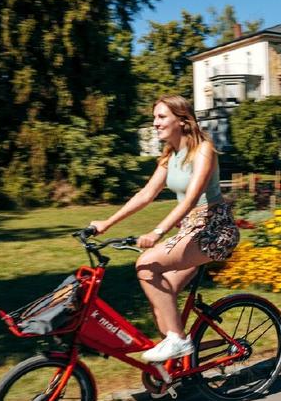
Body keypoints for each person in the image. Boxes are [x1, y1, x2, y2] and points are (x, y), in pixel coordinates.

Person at [90, 95, 240, 361]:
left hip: (215, 230)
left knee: (146, 266)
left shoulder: (203, 150)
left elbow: (192, 199)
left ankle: (178, 342)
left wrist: (157, 232)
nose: (155, 123)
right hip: (190, 231)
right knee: (161, 296)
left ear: (182, 120)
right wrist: (106, 223)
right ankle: (177, 366)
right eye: (154, 117)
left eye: (161, 117)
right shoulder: (170, 155)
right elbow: (146, 194)